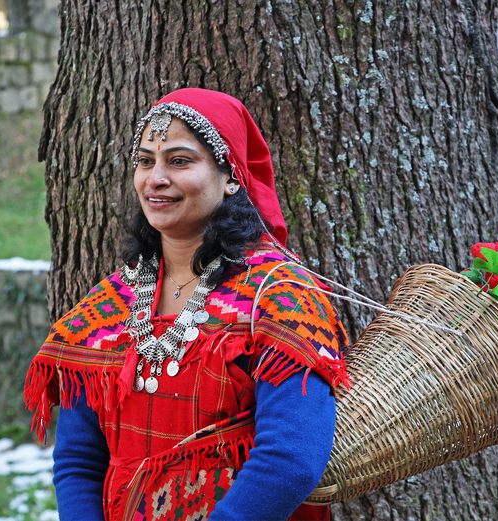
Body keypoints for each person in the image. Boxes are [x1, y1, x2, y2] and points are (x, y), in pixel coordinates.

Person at [24, 88, 350, 521]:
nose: (155, 178)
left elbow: (291, 458)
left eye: (179, 161)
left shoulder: (280, 297)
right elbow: (78, 461)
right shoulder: (107, 306)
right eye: (145, 161)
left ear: (231, 176)